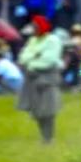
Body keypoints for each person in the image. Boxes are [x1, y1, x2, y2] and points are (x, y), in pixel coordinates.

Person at [17, 15, 64, 143]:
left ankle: (49, 137)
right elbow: (23, 57)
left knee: (48, 110)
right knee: (36, 111)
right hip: (32, 78)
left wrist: (32, 62)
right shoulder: (33, 40)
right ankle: (44, 137)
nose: (33, 29)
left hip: (47, 78)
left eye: (35, 26)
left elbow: (49, 59)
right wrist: (35, 56)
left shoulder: (52, 40)